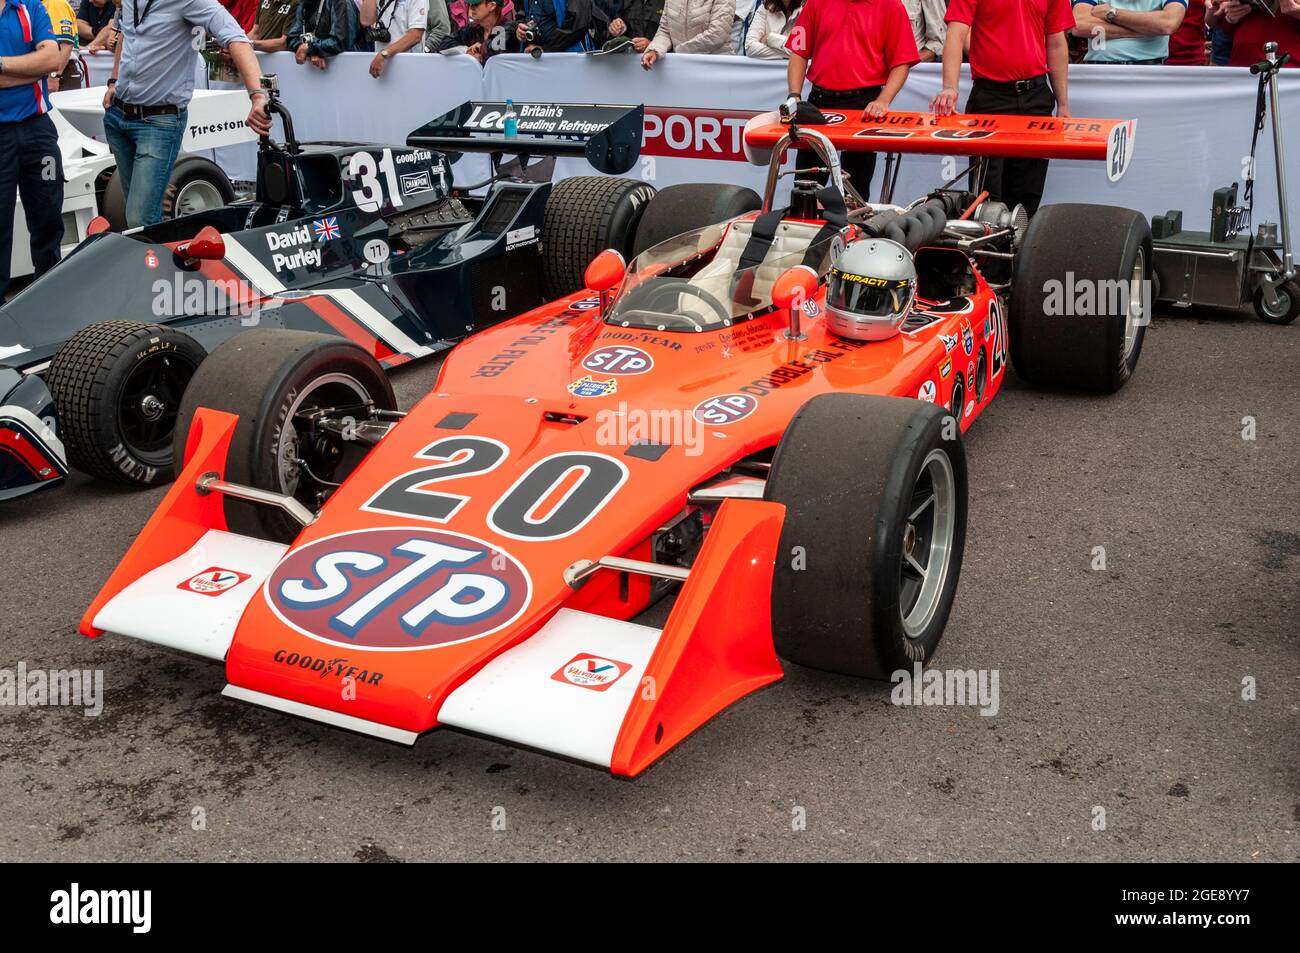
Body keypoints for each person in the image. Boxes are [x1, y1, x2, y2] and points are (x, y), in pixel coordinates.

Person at [103, 0, 271, 228]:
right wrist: (114, 81)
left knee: (140, 218)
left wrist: (257, 95)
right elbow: (127, 33)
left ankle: (164, 260)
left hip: (158, 122)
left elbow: (236, 37)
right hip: (119, 116)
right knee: (137, 217)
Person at [932, 0, 1073, 218]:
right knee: (986, 197)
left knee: (1028, 195)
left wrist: (1063, 105)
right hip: (990, 99)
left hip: (1036, 98)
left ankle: (1020, 248)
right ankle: (985, 251)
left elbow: (1055, 41)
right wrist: (950, 87)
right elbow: (956, 34)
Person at [783, 0, 919, 197]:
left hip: (864, 105)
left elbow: (902, 63)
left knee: (855, 193)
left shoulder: (891, 6)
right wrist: (794, 95)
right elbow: (799, 52)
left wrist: (883, 100)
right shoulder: (816, 3)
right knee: (806, 189)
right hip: (819, 103)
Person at [0, 0, 65, 297]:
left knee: (48, 217)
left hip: (38, 130)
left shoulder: (29, 6)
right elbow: (41, 64)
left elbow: (52, 60)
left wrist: (2, 65)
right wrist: (31, 69)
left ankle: (49, 297)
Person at [1072, 1, 1187, 64]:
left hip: (1149, 69)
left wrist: (1111, 13)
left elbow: (1168, 23)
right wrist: (1147, 28)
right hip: (1101, 69)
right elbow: (1080, 26)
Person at [1206, 0, 1300, 67]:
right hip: (1242, 68)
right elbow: (1215, 21)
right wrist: (1230, 18)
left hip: (1287, 70)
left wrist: (1295, 10)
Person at [641, 0, 732, 68]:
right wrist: (654, 50)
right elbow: (665, 30)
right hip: (682, 67)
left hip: (715, 68)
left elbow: (717, 34)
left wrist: (679, 51)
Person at [287, 0, 361, 69]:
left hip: (348, 69)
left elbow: (341, 41)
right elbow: (291, 38)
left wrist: (312, 48)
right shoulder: (304, 3)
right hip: (316, 75)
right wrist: (308, 50)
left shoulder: (341, 2)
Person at [360, 0, 427, 77]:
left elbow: (415, 36)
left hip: (408, 66)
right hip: (382, 67)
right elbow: (366, 21)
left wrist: (384, 54)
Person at [437, 0, 521, 59]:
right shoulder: (473, 28)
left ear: (492, 5)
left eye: (476, 4)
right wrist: (466, 50)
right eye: (470, 4)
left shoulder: (508, 27)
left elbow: (495, 47)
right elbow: (443, 44)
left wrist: (480, 49)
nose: (471, 7)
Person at [516, 0, 591, 52]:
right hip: (532, 56)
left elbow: (578, 24)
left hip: (566, 58)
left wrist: (545, 48)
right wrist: (519, 30)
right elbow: (522, 15)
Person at [41, 0, 76, 90]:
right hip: (50, 71)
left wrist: (54, 77)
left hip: (61, 72)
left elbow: (66, 45)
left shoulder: (55, 3)